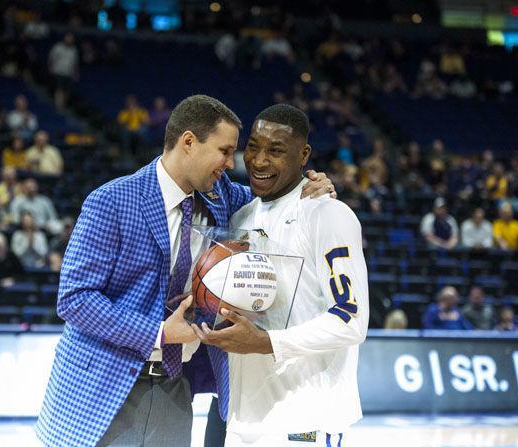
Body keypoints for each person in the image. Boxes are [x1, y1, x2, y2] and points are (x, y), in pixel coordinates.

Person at [35, 95, 335, 447]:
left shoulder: (222, 194)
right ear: (188, 142)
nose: (230, 162)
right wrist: (159, 332)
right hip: (104, 383)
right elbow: (74, 300)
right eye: (223, 151)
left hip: (174, 387)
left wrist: (310, 186)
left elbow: (272, 199)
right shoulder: (111, 201)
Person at [193, 104, 369, 446]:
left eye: (276, 151)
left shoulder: (328, 214)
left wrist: (267, 343)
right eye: (254, 146)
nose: (259, 160)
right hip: (244, 418)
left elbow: (352, 319)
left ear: (303, 155)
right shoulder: (241, 218)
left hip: (306, 417)